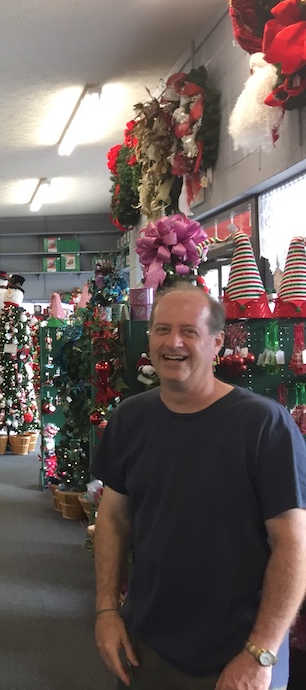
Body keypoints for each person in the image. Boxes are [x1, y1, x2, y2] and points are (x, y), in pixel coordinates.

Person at [93, 283, 306, 689]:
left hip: (239, 652)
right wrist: (106, 610)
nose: (173, 343)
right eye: (162, 329)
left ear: (217, 343)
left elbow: (293, 543)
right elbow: (114, 518)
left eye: (189, 331)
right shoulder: (130, 419)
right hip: (148, 644)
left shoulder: (264, 425)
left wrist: (260, 652)